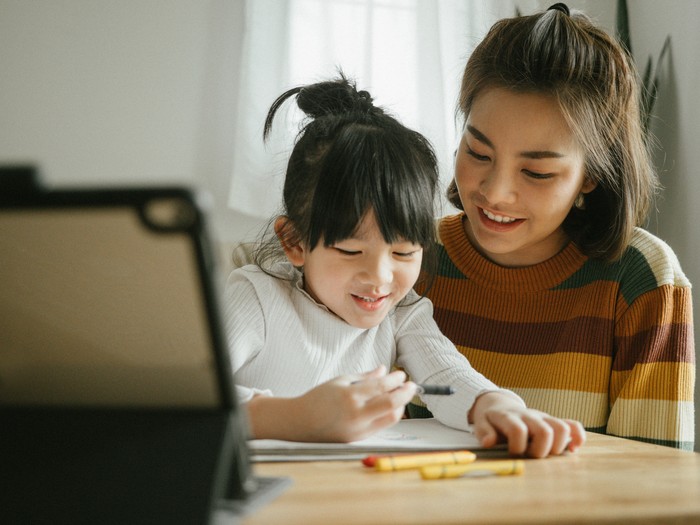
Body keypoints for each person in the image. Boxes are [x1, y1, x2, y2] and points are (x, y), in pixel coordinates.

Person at [224, 73, 586, 457]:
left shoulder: (402, 313)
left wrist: (496, 406)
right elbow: (189, 399)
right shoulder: (256, 297)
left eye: (403, 253)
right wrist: (296, 417)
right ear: (294, 242)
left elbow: (448, 377)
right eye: (349, 251)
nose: (380, 278)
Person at [411, 3, 695, 450]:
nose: (496, 192)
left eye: (537, 173)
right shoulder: (409, 258)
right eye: (478, 153)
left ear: (592, 175)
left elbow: (650, 484)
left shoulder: (640, 281)